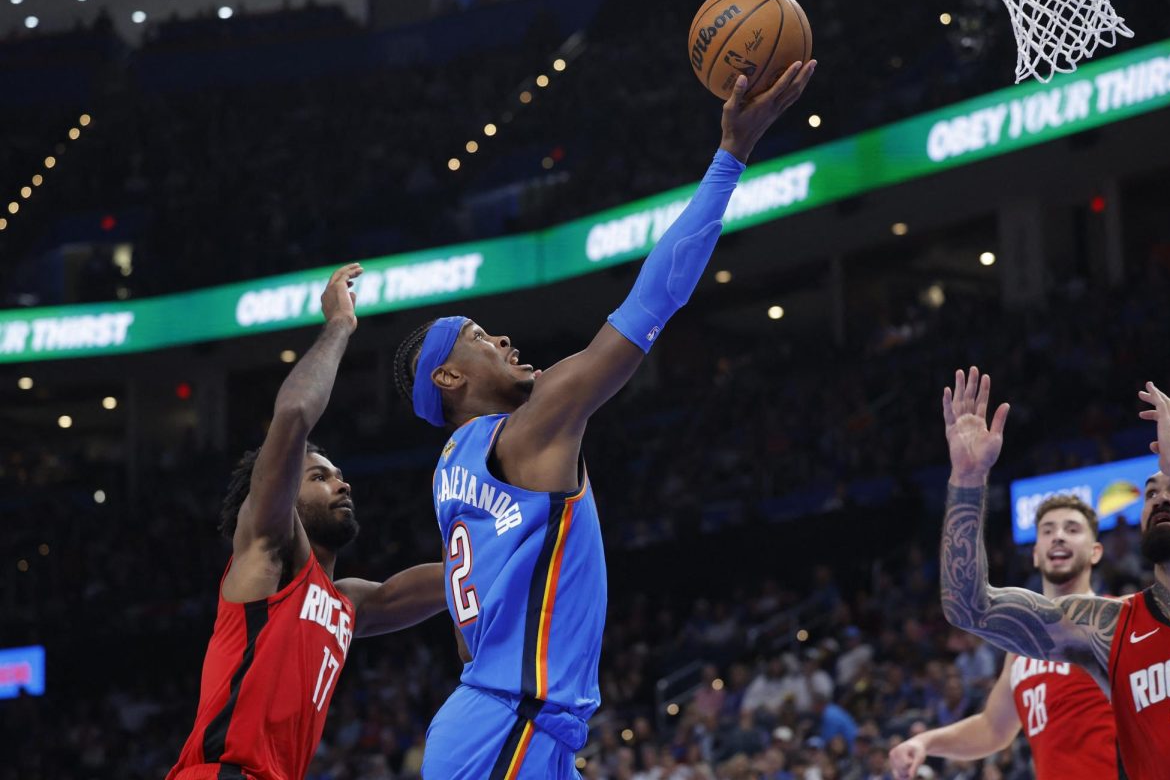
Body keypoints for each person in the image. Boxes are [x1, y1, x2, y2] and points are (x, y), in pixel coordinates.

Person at [394, 61, 817, 778]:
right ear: (448, 376)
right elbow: (653, 302)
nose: (503, 340)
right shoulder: (526, 428)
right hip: (509, 722)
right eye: (480, 337)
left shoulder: (451, 475)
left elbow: (470, 636)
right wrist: (730, 158)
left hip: (508, 724)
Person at [168, 265, 447, 780]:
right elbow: (293, 415)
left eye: (340, 475)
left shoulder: (344, 602)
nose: (342, 483)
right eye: (319, 476)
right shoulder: (267, 551)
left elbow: (422, 588)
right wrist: (340, 324)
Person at [938, 367, 1170, 780]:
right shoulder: (1108, 628)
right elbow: (968, 607)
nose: (1161, 497)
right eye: (1150, 493)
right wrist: (968, 480)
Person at [890, 494, 1117, 779]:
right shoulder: (1022, 647)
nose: (1058, 537)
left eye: (1072, 529)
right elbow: (993, 728)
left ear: (1096, 551)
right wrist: (925, 741)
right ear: (1035, 554)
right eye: (1047, 531)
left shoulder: (1117, 620)